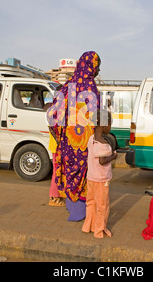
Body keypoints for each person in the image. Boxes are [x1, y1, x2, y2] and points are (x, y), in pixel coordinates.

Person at [47, 51, 101, 221]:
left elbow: (53, 115)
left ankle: (72, 209)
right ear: (91, 67)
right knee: (83, 173)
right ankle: (81, 212)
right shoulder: (90, 87)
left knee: (71, 171)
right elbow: (97, 116)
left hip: (67, 140)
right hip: (84, 142)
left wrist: (61, 133)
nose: (98, 70)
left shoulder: (67, 85)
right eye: (97, 66)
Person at [82, 111, 117, 238]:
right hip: (102, 180)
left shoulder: (91, 139)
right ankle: (99, 230)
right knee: (102, 205)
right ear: (104, 124)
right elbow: (102, 161)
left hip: (91, 177)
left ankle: (88, 226)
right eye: (109, 124)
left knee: (91, 203)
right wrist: (113, 156)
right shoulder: (104, 144)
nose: (110, 128)